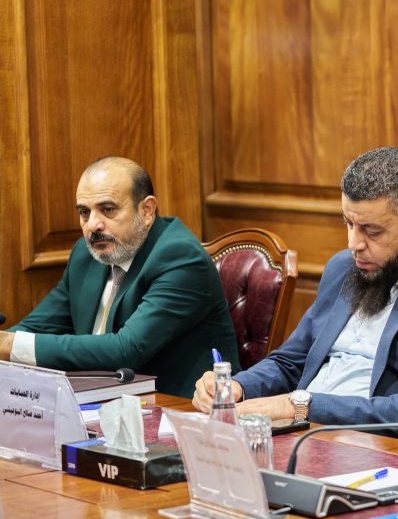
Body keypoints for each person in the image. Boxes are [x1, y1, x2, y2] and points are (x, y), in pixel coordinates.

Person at [193, 147, 398, 446]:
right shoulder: (343, 267)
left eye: (372, 231)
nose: (354, 243)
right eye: (349, 223)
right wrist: (238, 387)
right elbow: (291, 362)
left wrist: (300, 406)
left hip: (378, 450)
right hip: (302, 437)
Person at [0, 156, 240, 397]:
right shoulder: (85, 255)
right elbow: (38, 326)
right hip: (99, 402)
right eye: (84, 212)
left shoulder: (180, 258)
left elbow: (126, 350)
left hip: (178, 407)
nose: (93, 225)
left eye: (107, 210)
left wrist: (8, 345)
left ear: (146, 210)